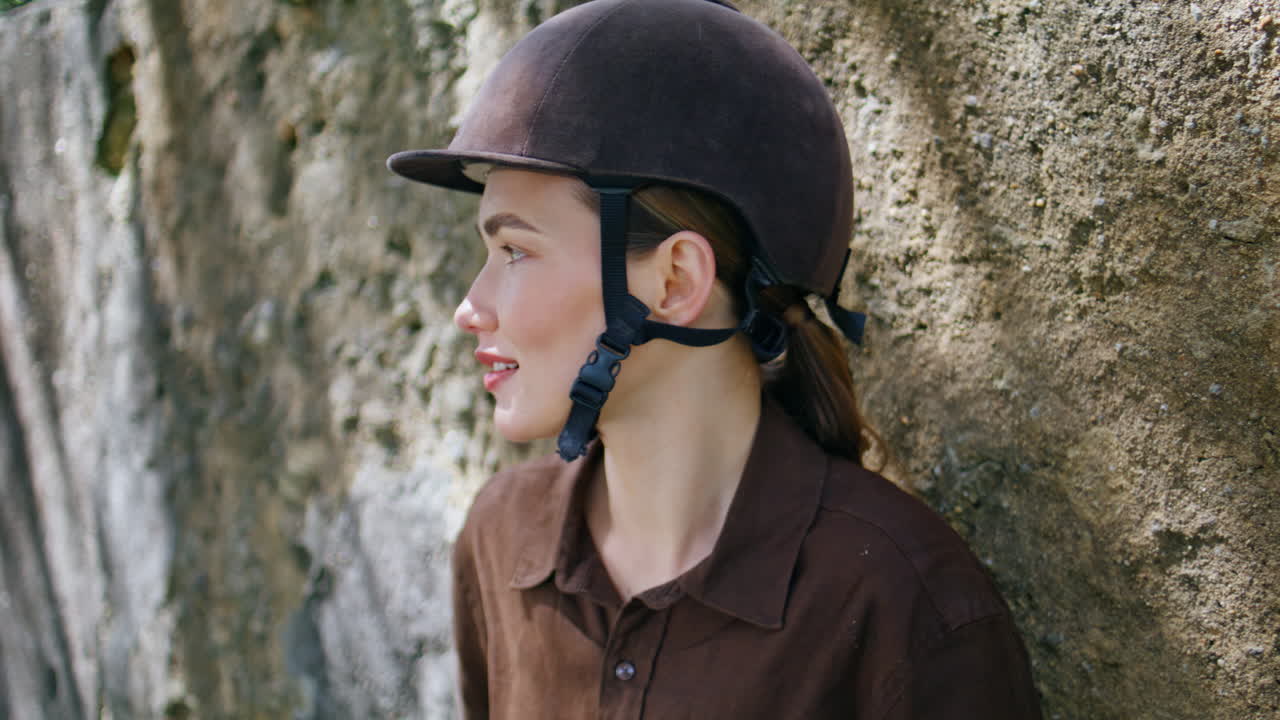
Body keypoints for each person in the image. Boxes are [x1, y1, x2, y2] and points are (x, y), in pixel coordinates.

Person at [388, 0, 1043, 717]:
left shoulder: (903, 602)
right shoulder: (501, 539)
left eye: (515, 250)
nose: (469, 307)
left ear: (675, 282)